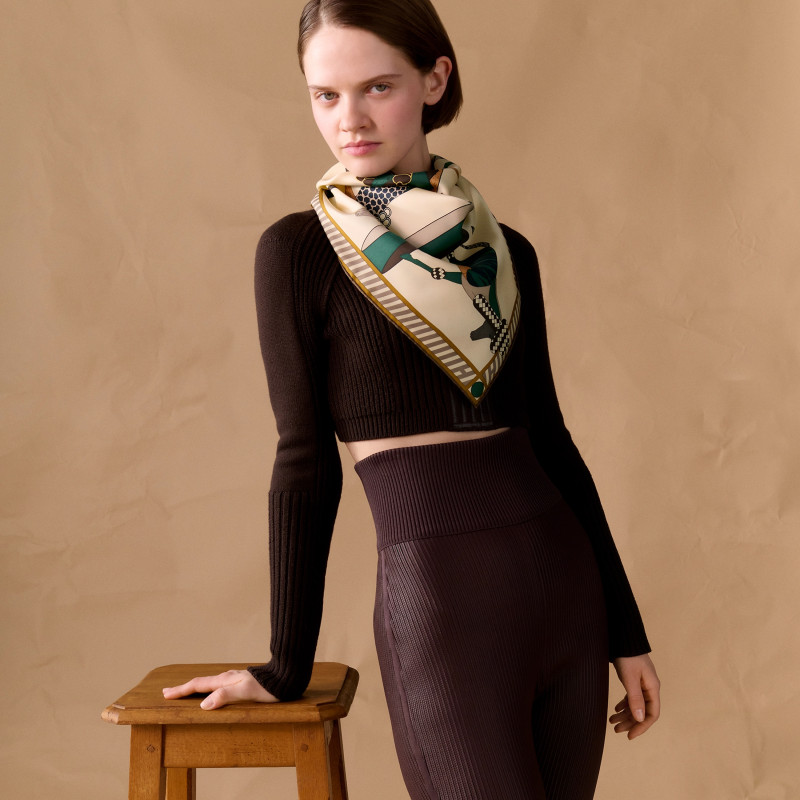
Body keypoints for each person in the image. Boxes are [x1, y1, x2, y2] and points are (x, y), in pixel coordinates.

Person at [163, 1, 661, 797]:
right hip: (442, 601)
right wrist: (285, 664)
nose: (350, 119)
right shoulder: (299, 253)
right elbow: (303, 459)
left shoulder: (505, 252)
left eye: (377, 87)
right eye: (326, 95)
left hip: (566, 590)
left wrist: (626, 634)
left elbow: (552, 439)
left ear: (434, 80)